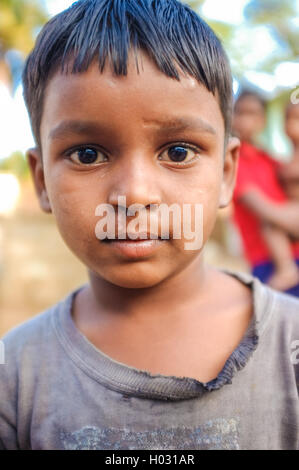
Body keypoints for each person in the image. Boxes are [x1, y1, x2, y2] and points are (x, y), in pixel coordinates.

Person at [0, 0, 299, 451]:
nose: (136, 194)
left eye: (178, 151)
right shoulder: (16, 374)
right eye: (88, 154)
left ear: (224, 173)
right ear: (42, 181)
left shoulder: (290, 348)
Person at [232, 91, 299, 295]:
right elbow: (264, 211)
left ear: (263, 120)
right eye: (240, 113)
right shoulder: (233, 161)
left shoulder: (270, 160)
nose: (245, 120)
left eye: (252, 114)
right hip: (267, 261)